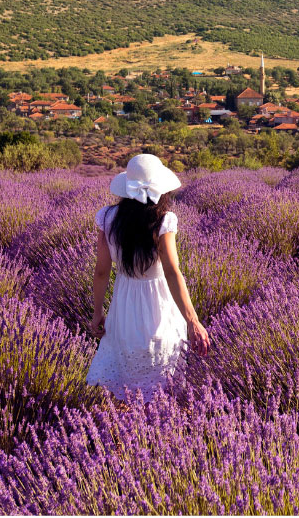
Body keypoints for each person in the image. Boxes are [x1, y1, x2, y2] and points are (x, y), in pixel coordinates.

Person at [86, 153, 210, 401]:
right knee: (163, 373)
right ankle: (156, 430)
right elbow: (172, 271)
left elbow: (101, 271)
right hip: (158, 304)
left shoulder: (109, 218)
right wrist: (192, 320)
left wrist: (97, 311)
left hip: (124, 303)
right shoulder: (163, 220)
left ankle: (129, 430)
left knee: (126, 379)